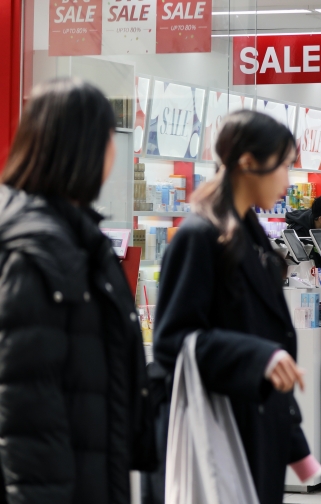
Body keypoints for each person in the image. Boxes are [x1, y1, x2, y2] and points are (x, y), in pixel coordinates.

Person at [0, 78, 156, 503]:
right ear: (84, 146)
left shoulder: (76, 236)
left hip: (91, 469)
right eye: (109, 135)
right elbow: (25, 406)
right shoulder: (37, 248)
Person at [154, 110, 320, 504]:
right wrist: (256, 357)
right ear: (248, 163)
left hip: (256, 431)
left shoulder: (252, 238)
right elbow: (171, 341)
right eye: (282, 165)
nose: (287, 178)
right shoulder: (200, 236)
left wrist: (295, 444)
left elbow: (267, 337)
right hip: (217, 433)